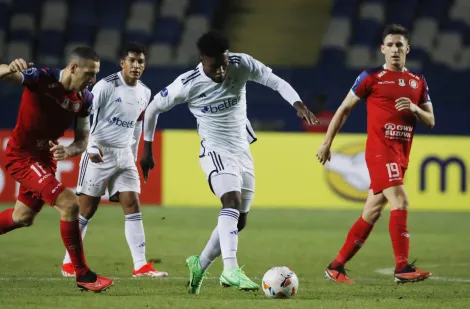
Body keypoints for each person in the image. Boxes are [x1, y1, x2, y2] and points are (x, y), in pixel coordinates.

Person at [140, 30, 318, 294]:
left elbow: (274, 81)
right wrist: (147, 150)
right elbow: (153, 108)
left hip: (242, 150)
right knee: (231, 202)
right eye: (215, 66)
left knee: (239, 221)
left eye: (224, 63)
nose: (222, 71)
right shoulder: (187, 83)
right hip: (214, 150)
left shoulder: (241, 63)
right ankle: (230, 270)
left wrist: (298, 103)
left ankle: (199, 264)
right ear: (203, 59)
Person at [316, 24, 434, 284]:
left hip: (402, 154)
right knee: (400, 202)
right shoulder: (371, 77)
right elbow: (344, 109)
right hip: (380, 152)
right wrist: (326, 142)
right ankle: (402, 268)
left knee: (371, 212)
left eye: (399, 45)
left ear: (407, 50)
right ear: (382, 49)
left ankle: (336, 266)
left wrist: (414, 108)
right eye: (390, 45)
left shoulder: (418, 81)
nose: (394, 49)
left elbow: (431, 120)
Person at [0, 48, 114, 292]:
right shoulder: (41, 78)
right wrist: (9, 68)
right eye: (89, 73)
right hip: (23, 156)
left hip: (45, 160)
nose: (93, 80)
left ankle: (82, 274)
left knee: (23, 218)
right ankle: (83, 274)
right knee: (70, 203)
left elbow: (82, 141)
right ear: (73, 68)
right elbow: (5, 74)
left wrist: (69, 151)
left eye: (96, 74)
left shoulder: (85, 100)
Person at [60, 42, 168, 278]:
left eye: (141, 61)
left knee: (132, 204)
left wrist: (136, 152)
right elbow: (86, 114)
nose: (136, 65)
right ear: (122, 63)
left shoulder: (145, 92)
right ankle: (69, 262)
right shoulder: (106, 86)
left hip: (124, 154)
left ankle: (140, 265)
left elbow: (137, 125)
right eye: (132, 60)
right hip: (99, 151)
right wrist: (90, 147)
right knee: (86, 209)